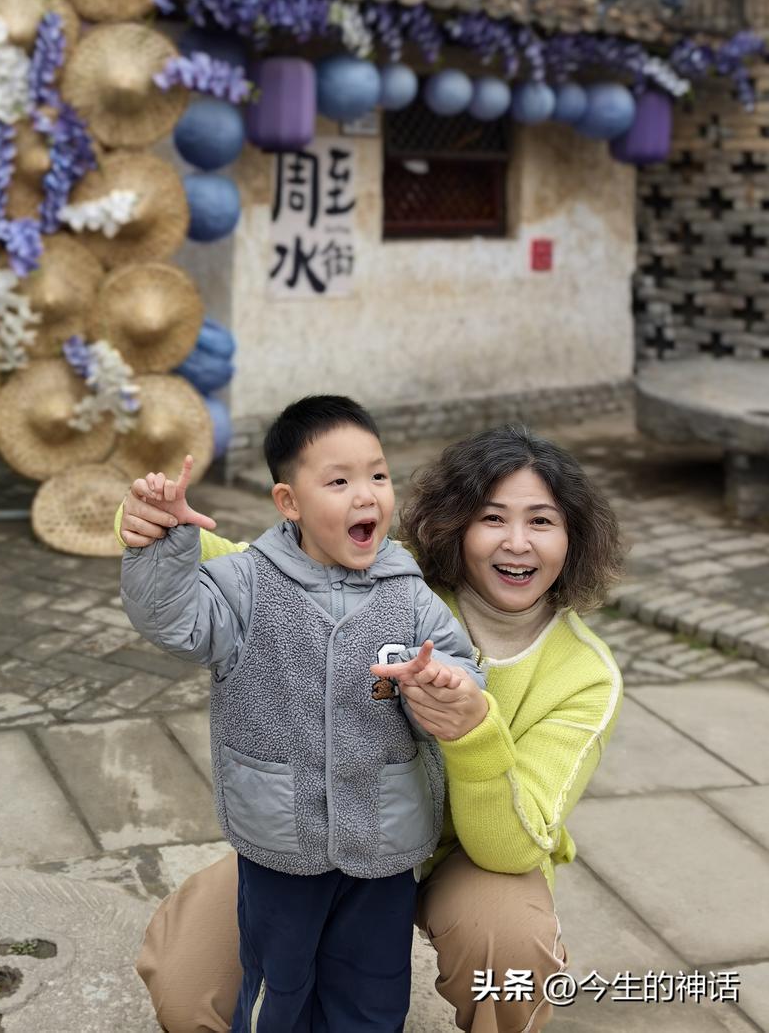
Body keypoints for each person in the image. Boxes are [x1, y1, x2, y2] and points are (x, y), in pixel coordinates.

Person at [119, 421, 626, 1033]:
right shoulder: (393, 580)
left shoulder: (585, 674)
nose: (516, 542)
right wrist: (154, 524)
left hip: (465, 861)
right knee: (190, 987)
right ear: (457, 524)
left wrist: (471, 733)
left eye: (541, 522)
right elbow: (247, 567)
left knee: (510, 946)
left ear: (574, 538)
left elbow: (509, 849)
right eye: (493, 518)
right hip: (320, 832)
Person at [121, 395, 485, 1033]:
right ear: (289, 502)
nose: (366, 495)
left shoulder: (409, 592)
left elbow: (459, 662)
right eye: (339, 481)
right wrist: (166, 544)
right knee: (279, 987)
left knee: (373, 992)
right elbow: (175, 621)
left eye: (377, 475)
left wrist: (447, 685)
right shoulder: (245, 585)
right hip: (281, 840)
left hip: (385, 839)